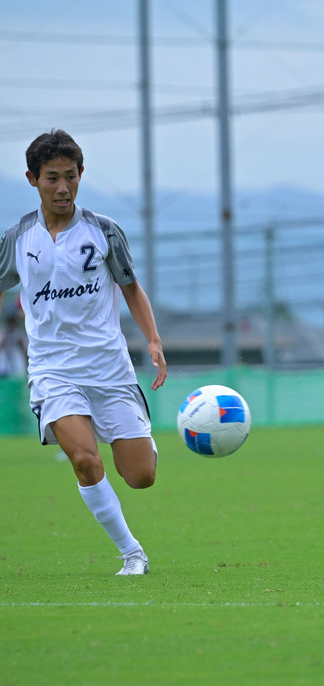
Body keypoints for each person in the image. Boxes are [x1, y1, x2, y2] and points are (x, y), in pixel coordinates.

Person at [0, 129, 167, 576]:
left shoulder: (104, 231)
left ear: (81, 175)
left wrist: (152, 339)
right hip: (54, 371)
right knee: (84, 459)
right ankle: (132, 553)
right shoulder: (17, 238)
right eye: (52, 177)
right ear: (33, 179)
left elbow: (131, 286)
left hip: (110, 371)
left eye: (70, 177)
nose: (62, 188)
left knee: (140, 477)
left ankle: (141, 439)